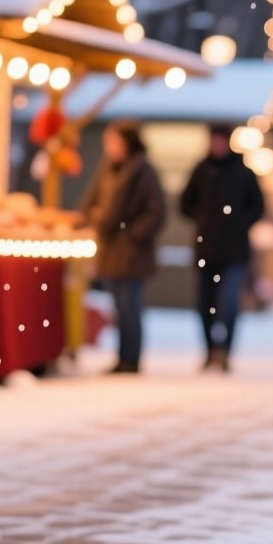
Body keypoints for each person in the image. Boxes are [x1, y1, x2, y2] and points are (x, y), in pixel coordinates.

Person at [79, 121, 166, 374]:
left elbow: (156, 211)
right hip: (111, 248)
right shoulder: (107, 169)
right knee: (119, 307)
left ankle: (131, 358)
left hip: (132, 252)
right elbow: (90, 202)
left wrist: (133, 234)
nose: (109, 147)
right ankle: (122, 357)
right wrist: (90, 218)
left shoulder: (142, 171)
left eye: (113, 141)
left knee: (130, 306)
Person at [179, 126, 265, 372]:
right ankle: (209, 350)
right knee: (204, 304)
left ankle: (225, 351)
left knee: (228, 303)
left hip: (234, 251)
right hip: (206, 250)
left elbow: (258, 206)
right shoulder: (202, 170)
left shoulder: (242, 172)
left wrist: (239, 223)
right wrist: (203, 217)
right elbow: (185, 203)